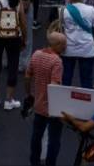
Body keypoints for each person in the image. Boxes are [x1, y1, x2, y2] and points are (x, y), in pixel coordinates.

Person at [27, 32, 66, 166]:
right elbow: (54, 86)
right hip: (52, 108)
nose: (66, 46)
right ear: (57, 45)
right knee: (54, 139)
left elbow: (27, 76)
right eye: (64, 44)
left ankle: (34, 162)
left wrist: (29, 94)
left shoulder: (36, 54)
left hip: (38, 105)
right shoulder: (57, 61)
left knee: (36, 136)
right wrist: (58, 109)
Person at [60, 0, 94, 87]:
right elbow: (93, 25)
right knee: (86, 81)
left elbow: (62, 27)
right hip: (87, 49)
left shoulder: (64, 10)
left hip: (68, 49)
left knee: (66, 79)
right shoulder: (91, 9)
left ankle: (65, 101)